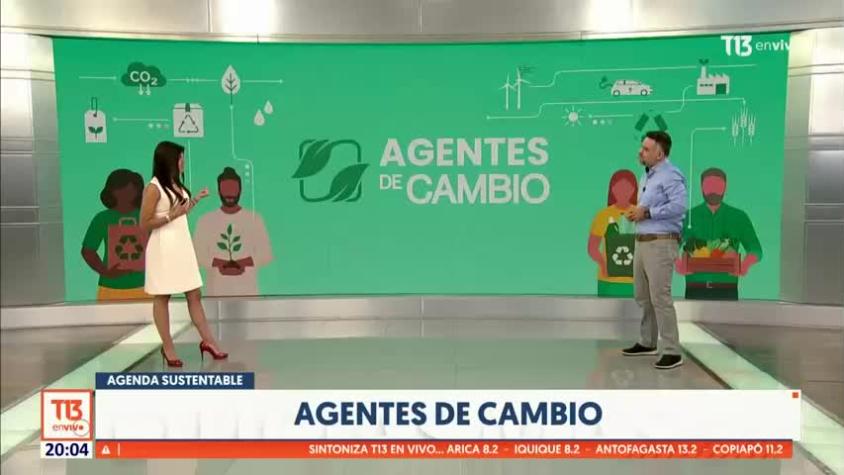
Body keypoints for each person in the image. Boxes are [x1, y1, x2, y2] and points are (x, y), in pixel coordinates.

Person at [140, 140, 228, 367]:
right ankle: (168, 347)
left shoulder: (175, 183)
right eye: (180, 158)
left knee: (194, 294)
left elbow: (180, 211)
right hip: (163, 248)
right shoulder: (153, 188)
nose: (183, 162)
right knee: (163, 296)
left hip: (182, 246)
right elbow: (145, 222)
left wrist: (195, 200)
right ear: (169, 160)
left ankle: (208, 342)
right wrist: (172, 215)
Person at [622, 131, 688, 370]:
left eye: (646, 149)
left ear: (659, 153)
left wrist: (648, 213)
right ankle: (647, 341)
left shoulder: (671, 175)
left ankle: (671, 351)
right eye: (642, 147)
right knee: (643, 295)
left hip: (661, 242)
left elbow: (680, 206)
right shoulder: (648, 175)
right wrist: (638, 212)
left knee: (660, 297)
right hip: (643, 241)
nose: (640, 152)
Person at [676, 168, 762, 300]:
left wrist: (745, 264)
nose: (713, 190)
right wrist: (678, 264)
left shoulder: (739, 217)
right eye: (709, 185)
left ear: (725, 187)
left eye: (717, 186)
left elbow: (755, 249)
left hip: (727, 289)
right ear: (701, 187)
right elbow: (670, 246)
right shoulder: (689, 217)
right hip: (695, 287)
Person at [194, 167, 273, 296]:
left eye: (233, 189)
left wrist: (241, 263)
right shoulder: (205, 220)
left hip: (248, 292)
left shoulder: (254, 219)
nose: (229, 194)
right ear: (219, 191)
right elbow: (198, 256)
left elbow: (265, 254)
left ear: (240, 190)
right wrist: (221, 264)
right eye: (225, 189)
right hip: (215, 292)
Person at [81, 169, 149, 301]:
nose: (125, 195)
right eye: (121, 190)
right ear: (111, 191)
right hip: (110, 288)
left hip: (145, 286)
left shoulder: (147, 216)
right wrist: (106, 272)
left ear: (137, 192)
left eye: (129, 191)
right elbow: (88, 251)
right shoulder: (102, 218)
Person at [587, 170, 639, 297]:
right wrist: (603, 264)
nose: (623, 191)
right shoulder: (602, 216)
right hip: (608, 281)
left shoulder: (640, 215)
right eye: (619, 187)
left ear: (634, 190)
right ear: (612, 190)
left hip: (636, 281)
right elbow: (592, 248)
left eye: (627, 187)